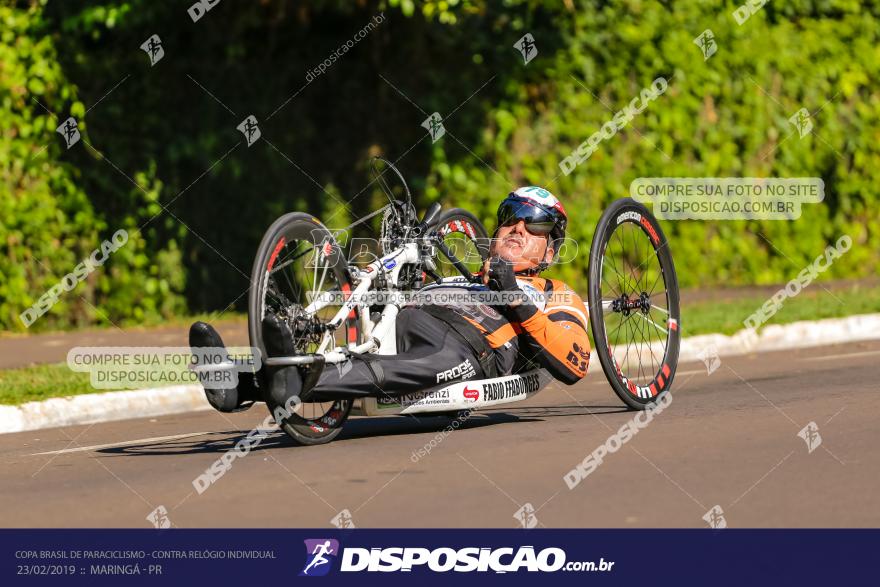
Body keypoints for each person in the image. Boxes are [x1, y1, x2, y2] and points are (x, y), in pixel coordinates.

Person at [190, 186, 590, 412]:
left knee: (386, 368)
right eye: (510, 219)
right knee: (366, 336)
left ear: (550, 252)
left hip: (469, 348)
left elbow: (574, 361)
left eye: (535, 225)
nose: (518, 228)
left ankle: (251, 383)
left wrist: (513, 295)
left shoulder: (556, 294)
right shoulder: (458, 274)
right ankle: (254, 373)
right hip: (408, 319)